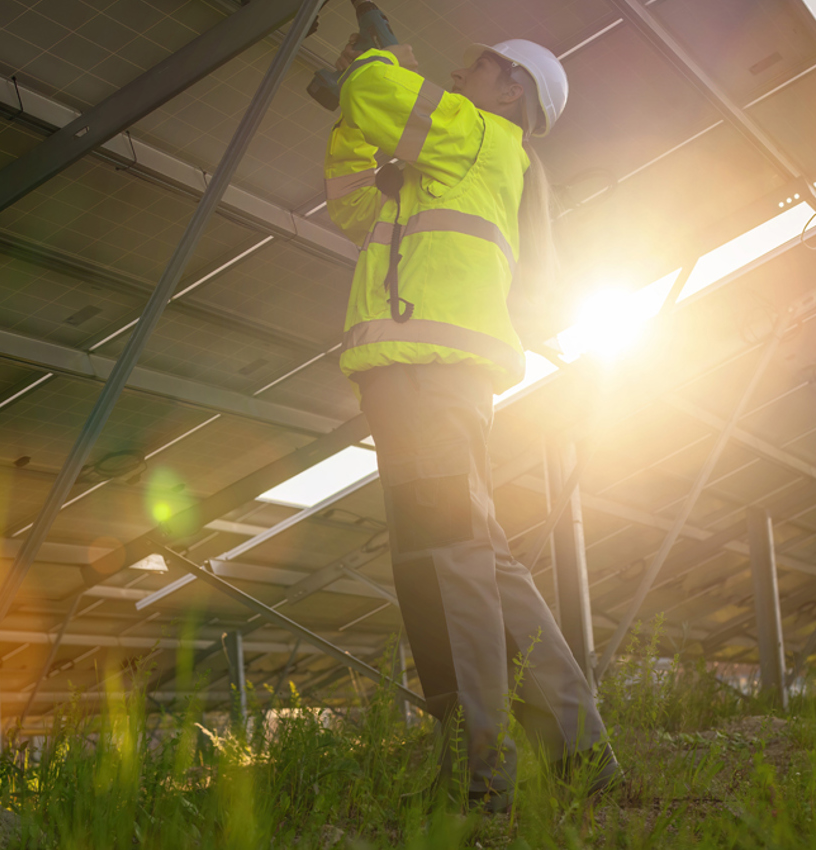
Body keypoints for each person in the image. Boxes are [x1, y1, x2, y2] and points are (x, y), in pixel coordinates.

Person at [324, 35, 620, 809]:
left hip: (428, 377)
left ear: (512, 90)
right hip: (420, 381)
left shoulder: (483, 134)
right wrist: (354, 109)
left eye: (480, 66)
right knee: (481, 562)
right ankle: (580, 752)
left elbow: (383, 94)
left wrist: (377, 57)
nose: (461, 72)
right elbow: (353, 200)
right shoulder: (441, 166)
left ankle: (486, 777)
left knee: (449, 564)